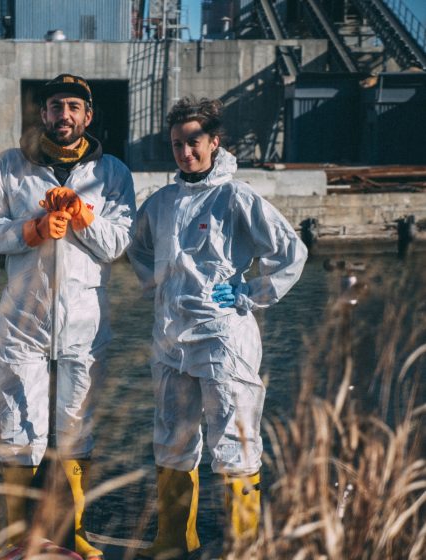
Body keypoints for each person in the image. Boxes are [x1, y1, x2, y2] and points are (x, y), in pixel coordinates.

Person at [128, 97, 307, 558]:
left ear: (213, 142)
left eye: (193, 142)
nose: (185, 152)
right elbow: (138, 247)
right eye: (177, 144)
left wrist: (249, 294)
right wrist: (159, 287)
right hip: (171, 342)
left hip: (224, 341)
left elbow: (291, 253)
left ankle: (241, 547)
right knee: (172, 440)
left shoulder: (236, 197)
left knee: (234, 443)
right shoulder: (164, 201)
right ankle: (173, 539)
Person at [0, 74, 136, 560]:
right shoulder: (11, 165)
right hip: (24, 320)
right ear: (42, 114)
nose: (63, 115)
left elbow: (118, 244)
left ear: (87, 116)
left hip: (83, 322)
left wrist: (83, 216)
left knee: (75, 428)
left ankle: (69, 535)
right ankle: (18, 540)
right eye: (54, 106)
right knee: (19, 427)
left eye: (73, 107)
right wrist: (32, 228)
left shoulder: (113, 173)